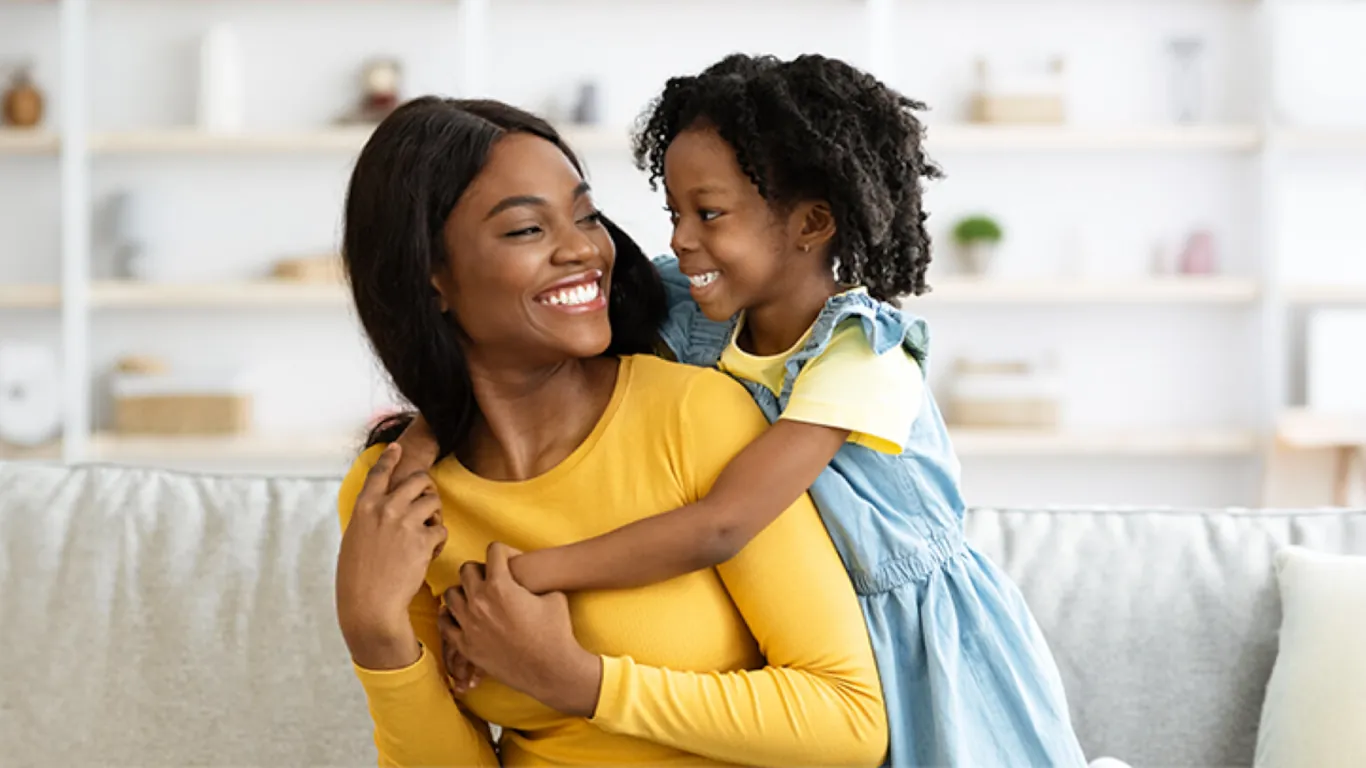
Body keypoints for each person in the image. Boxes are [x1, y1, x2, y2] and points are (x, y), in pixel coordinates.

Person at [398, 55, 1088, 767]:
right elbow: (510, 354)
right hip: (812, 617)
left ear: (811, 223)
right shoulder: (702, 310)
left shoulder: (857, 354)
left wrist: (533, 575)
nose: (679, 238)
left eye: (709, 213)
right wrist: (425, 440)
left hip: (915, 631)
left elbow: (724, 522)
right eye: (673, 212)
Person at [333, 96, 888, 766]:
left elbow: (850, 724)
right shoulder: (396, 495)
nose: (584, 250)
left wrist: (580, 683)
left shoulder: (694, 415)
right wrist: (373, 635)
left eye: (586, 216)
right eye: (526, 231)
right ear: (431, 279)